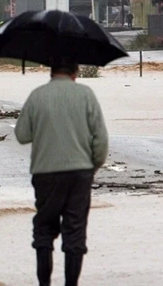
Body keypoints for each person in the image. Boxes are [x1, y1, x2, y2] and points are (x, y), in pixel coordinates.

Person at [14, 58, 109, 286]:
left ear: (51, 71)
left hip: (45, 173)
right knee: (74, 230)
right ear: (76, 72)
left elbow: (22, 135)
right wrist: (92, 167)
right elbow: (101, 141)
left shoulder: (37, 95)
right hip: (80, 173)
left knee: (44, 229)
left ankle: (44, 284)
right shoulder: (86, 95)